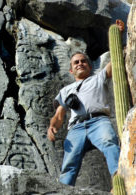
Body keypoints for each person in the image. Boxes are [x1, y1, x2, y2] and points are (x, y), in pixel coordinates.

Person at [47, 20, 124, 186]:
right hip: (76, 127)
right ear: (71, 70)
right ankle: (64, 190)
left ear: (89, 66)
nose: (80, 64)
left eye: (83, 61)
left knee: (110, 145)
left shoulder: (98, 77)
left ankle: (122, 183)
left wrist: (117, 35)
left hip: (99, 121)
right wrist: (53, 126)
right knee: (69, 165)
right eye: (76, 62)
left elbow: (115, 60)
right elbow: (60, 113)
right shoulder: (66, 90)